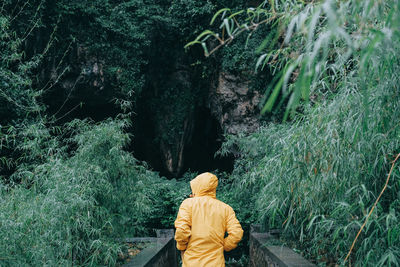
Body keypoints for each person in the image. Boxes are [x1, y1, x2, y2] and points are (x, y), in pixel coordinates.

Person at [174, 172, 243, 267]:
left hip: (192, 262)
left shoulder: (188, 204)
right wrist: (223, 246)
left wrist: (182, 247)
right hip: (216, 262)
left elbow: (182, 231)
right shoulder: (226, 208)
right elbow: (237, 233)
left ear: (197, 186)